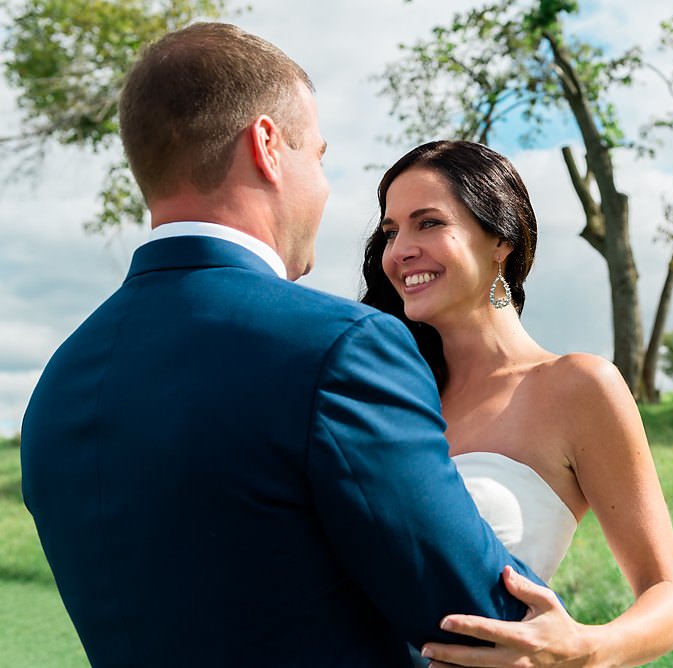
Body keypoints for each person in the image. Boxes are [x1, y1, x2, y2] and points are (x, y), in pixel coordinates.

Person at [20, 24, 548, 667]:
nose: (325, 187)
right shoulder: (342, 348)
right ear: (268, 145)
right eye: (320, 156)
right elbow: (487, 620)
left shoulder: (59, 385)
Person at [361, 140, 673, 667]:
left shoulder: (576, 388)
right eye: (390, 231)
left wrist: (582, 648)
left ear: (500, 240)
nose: (399, 249)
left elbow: (671, 598)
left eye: (428, 223)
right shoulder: (384, 396)